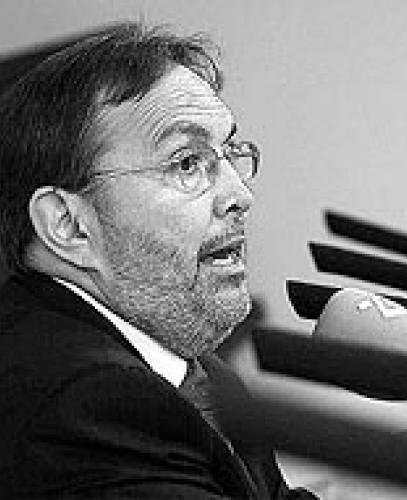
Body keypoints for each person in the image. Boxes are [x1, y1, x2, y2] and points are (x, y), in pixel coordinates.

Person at [0, 21, 316, 498]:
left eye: (230, 154)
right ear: (68, 224)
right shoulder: (81, 402)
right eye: (187, 163)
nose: (240, 195)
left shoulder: (196, 372)